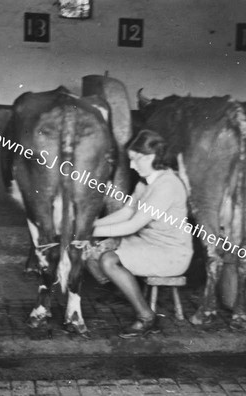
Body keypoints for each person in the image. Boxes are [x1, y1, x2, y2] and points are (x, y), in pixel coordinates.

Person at [88, 129, 193, 338]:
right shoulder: (145, 181)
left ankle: (146, 317)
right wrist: (92, 225)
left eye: (135, 160)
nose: (131, 165)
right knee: (90, 251)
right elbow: (126, 212)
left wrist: (87, 230)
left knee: (108, 260)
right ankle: (124, 288)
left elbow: (132, 225)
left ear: (151, 157)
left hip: (171, 253)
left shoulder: (167, 185)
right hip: (145, 243)